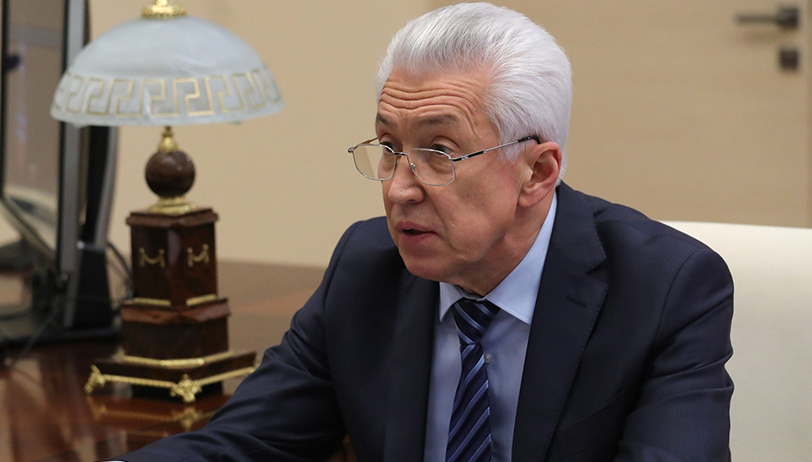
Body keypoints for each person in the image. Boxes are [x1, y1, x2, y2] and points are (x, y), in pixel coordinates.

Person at [114, 3, 733, 461]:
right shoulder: (366, 267)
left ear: (538, 172)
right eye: (389, 148)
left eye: (439, 153)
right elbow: (241, 444)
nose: (398, 189)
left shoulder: (663, 289)